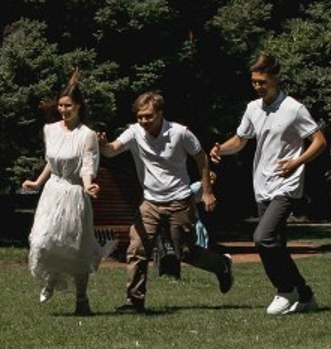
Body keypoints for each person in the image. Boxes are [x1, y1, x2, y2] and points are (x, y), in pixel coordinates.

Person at [210, 52, 327, 316]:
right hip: (261, 185)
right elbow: (240, 140)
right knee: (276, 246)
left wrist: (297, 163)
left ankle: (285, 290)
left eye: (262, 81)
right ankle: (305, 296)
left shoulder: (294, 109)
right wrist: (220, 150)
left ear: (275, 78)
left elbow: (319, 141)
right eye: (254, 82)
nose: (257, 86)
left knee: (262, 238)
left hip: (286, 185)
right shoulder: (253, 108)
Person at [100, 90, 234, 313]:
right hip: (150, 202)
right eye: (140, 116)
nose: (143, 121)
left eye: (148, 116)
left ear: (160, 113)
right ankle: (134, 302)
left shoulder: (180, 133)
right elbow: (112, 151)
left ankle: (221, 265)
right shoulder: (134, 133)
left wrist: (207, 192)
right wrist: (103, 144)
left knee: (185, 252)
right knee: (137, 249)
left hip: (179, 199)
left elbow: (201, 158)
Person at [21, 72, 101, 316]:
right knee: (42, 240)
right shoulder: (50, 130)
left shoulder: (87, 135)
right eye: (61, 105)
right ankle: (51, 278)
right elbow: (51, 160)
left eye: (69, 106)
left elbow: (87, 165)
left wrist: (88, 185)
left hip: (74, 193)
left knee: (75, 248)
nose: (64, 110)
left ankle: (81, 300)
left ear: (78, 107)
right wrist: (36, 182)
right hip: (52, 192)